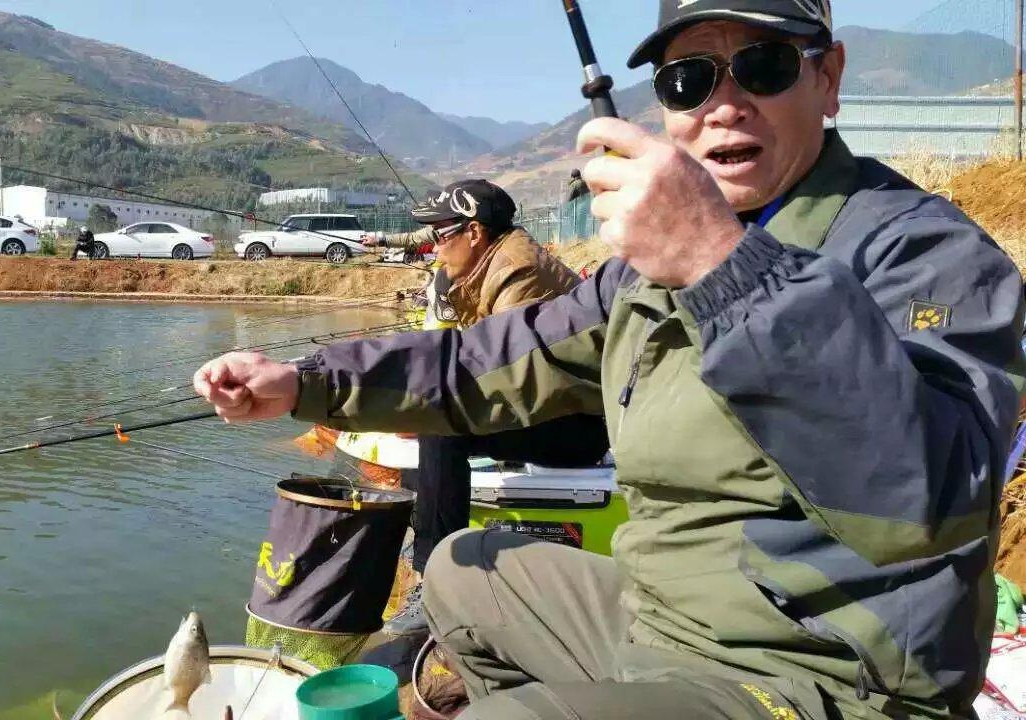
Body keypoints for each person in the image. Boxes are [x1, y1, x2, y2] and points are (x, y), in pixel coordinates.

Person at [194, 1, 1026, 718]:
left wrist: (720, 263)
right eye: (688, 81)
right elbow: (487, 360)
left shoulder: (927, 253)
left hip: (820, 676)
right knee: (459, 569)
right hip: (661, 620)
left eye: (764, 67)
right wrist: (307, 382)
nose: (723, 105)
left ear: (829, 78)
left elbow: (929, 503)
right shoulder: (643, 271)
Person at [367, 179, 611, 636]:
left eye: (440, 235)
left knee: (442, 427)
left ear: (474, 232)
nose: (434, 248)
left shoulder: (518, 273)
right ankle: (431, 544)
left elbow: (499, 373)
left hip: (579, 423)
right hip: (549, 407)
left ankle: (435, 582)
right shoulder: (488, 263)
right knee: (433, 423)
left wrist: (422, 407)